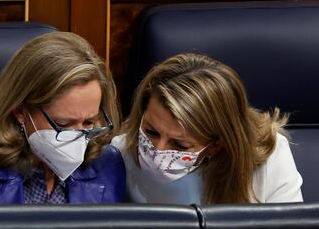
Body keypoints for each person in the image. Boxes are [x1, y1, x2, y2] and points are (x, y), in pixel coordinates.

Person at [0, 32, 126, 205]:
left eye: (88, 122)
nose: (79, 137)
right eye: (63, 125)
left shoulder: (107, 163)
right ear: (20, 111)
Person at [112, 53, 303, 204]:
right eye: (151, 132)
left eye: (180, 145)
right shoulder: (120, 153)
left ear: (216, 145)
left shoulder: (269, 156)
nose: (157, 151)